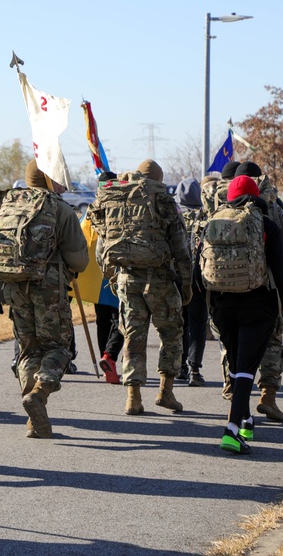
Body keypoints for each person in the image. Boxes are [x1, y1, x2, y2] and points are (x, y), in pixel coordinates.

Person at [0, 160, 88, 437]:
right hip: (49, 289)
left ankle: (33, 419)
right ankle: (39, 394)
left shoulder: (1, 206)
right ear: (51, 179)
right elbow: (80, 260)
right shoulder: (60, 208)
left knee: (28, 349)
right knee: (58, 348)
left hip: (13, 288)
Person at [88, 159, 191, 416]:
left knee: (133, 337)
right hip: (160, 280)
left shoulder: (117, 200)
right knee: (171, 335)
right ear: (158, 178)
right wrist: (187, 283)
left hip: (126, 279)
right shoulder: (162, 199)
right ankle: (166, 392)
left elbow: (103, 248)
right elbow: (181, 247)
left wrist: (112, 277)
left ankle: (132, 397)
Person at [196, 176, 283, 454]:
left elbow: (198, 265)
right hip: (257, 306)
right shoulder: (266, 224)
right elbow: (279, 273)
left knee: (236, 365)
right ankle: (232, 430)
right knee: (247, 368)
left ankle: (245, 419)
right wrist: (280, 309)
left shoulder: (213, 221)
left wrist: (209, 305)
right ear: (256, 196)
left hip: (222, 305)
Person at [233, 161, 283, 423]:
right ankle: (268, 397)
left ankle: (233, 396)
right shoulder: (272, 205)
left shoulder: (224, 205)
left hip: (228, 289)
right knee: (272, 340)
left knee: (233, 344)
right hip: (267, 287)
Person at [77, 171, 123, 385]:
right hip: (117, 272)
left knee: (102, 319)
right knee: (121, 319)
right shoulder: (121, 207)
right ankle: (110, 357)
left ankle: (108, 366)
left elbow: (80, 236)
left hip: (96, 275)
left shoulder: (90, 210)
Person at [175, 177, 208, 387]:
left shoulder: (173, 215)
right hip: (199, 278)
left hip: (176, 276)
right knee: (197, 323)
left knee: (179, 323)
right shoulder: (206, 216)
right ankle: (195, 369)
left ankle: (180, 366)